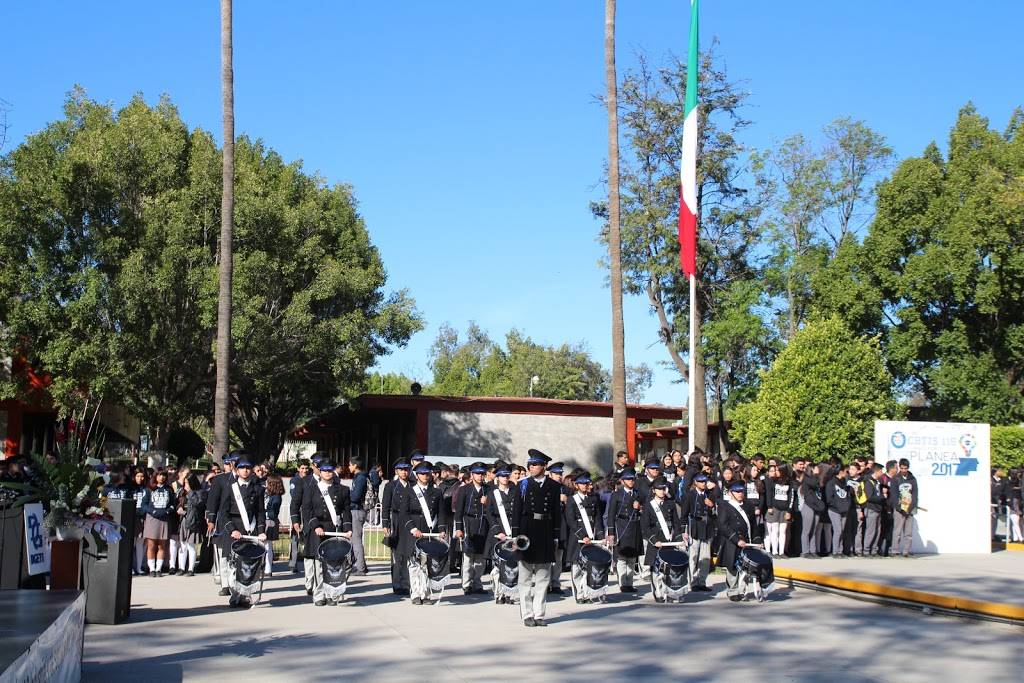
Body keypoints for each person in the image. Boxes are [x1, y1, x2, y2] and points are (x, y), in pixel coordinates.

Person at [515, 450, 561, 627]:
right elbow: (517, 511)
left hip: (546, 530)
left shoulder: (554, 486)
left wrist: (556, 535)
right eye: (530, 465)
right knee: (525, 576)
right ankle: (527, 614)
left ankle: (539, 614)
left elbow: (557, 512)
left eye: (535, 465)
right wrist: (515, 535)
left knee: (543, 576)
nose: (531, 467)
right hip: (527, 529)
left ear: (544, 466)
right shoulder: (523, 485)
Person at [301, 461, 353, 606]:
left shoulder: (342, 490)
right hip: (318, 530)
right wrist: (315, 526)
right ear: (320, 471)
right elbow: (307, 510)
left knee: (333, 565)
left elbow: (346, 511)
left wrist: (348, 529)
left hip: (334, 529)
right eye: (324, 470)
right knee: (319, 564)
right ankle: (319, 595)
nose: (328, 473)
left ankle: (332, 594)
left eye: (330, 470)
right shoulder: (312, 489)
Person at [220, 459, 267, 607]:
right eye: (242, 468)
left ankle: (246, 595)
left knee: (249, 565)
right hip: (235, 530)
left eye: (248, 467)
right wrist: (232, 529)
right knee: (234, 566)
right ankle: (235, 595)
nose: (245, 470)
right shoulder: (230, 488)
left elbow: (260, 513)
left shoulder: (258, 489)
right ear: (237, 469)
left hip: (250, 530)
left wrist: (261, 531)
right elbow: (224, 512)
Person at [401, 461, 445, 605]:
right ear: (417, 475)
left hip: (429, 531)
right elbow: (404, 513)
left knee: (427, 565)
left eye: (427, 473)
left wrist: (442, 530)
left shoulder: (437, 492)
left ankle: (425, 594)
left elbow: (441, 513)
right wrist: (413, 529)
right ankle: (415, 594)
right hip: (414, 531)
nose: (425, 476)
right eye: (422, 473)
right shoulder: (409, 491)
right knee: (414, 565)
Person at [718, 482, 762, 602]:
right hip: (732, 541)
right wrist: (736, 540)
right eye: (737, 492)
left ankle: (742, 590)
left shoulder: (748, 505)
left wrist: (757, 540)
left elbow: (753, 525)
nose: (740, 494)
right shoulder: (725, 506)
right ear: (730, 493)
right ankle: (733, 591)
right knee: (732, 567)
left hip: (747, 540)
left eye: (741, 491)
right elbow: (722, 525)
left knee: (745, 567)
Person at [565, 474, 605, 603]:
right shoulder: (572, 500)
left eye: (587, 483)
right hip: (578, 538)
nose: (586, 486)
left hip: (591, 537)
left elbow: (598, 519)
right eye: (582, 484)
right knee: (577, 567)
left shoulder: (593, 499)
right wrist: (583, 536)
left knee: (589, 567)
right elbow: (571, 521)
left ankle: (588, 594)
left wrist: (600, 536)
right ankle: (579, 594)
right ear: (576, 485)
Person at [641, 477, 682, 602]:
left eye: (663, 489)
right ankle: (658, 593)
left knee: (670, 570)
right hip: (657, 541)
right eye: (659, 489)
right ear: (654, 490)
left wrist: (679, 538)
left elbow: (676, 523)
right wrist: (654, 540)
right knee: (657, 571)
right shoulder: (648, 505)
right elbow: (645, 527)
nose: (662, 491)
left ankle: (670, 593)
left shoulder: (670, 504)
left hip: (669, 540)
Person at [485, 464, 521, 603]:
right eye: (502, 476)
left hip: (512, 532)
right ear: (497, 477)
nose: (505, 478)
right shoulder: (492, 492)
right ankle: (499, 593)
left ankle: (509, 593)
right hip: (498, 532)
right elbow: (489, 514)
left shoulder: (515, 491)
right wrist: (498, 531)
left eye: (507, 476)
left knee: (512, 565)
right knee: (498, 565)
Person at [454, 462, 490, 595]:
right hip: (468, 523)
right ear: (472, 474)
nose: (480, 476)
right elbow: (458, 511)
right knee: (468, 557)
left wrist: (487, 503)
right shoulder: (464, 489)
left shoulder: (488, 489)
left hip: (483, 523)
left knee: (480, 558)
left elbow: (492, 510)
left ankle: (477, 583)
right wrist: (458, 528)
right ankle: (466, 584)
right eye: (477, 473)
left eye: (482, 474)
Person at [206, 453, 240, 594]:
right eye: (235, 462)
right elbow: (213, 501)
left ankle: (238, 583)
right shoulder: (220, 479)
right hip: (223, 521)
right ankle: (225, 584)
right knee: (223, 554)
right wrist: (211, 520)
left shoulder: (249, 480)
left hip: (241, 522)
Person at [605, 469, 642, 593]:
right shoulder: (617, 494)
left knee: (632, 558)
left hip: (635, 526)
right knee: (621, 557)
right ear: (622, 481)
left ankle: (629, 583)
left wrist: (640, 507)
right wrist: (611, 532)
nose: (631, 481)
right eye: (628, 479)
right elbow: (611, 514)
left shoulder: (637, 493)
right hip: (621, 525)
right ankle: (622, 583)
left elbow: (646, 510)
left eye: (632, 479)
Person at [383, 461, 412, 595]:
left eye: (406, 469)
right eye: (401, 469)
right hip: (395, 521)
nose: (404, 472)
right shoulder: (391, 486)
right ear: (396, 471)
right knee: (396, 555)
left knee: (408, 554)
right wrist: (385, 524)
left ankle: (406, 584)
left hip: (409, 522)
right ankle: (396, 583)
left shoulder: (413, 485)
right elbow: (385, 506)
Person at [142, 469, 176, 577]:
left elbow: (172, 504)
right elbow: (144, 504)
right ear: (155, 476)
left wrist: (167, 511)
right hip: (152, 519)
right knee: (151, 545)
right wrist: (153, 511)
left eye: (164, 476)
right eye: (160, 475)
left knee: (162, 546)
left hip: (164, 519)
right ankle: (151, 569)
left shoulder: (168, 489)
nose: (162, 477)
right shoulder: (149, 489)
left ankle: (158, 569)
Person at [176, 473, 206, 576]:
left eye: (187, 483)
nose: (186, 486)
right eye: (184, 483)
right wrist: (179, 508)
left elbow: (198, 504)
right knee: (182, 545)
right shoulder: (183, 492)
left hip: (193, 521)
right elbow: (179, 503)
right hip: (184, 520)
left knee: (191, 545)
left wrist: (190, 492)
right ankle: (181, 567)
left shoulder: (199, 492)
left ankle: (190, 569)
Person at [764, 464, 795, 559]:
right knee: (774, 530)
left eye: (777, 470)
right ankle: (774, 551)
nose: (775, 472)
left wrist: (789, 511)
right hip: (775, 508)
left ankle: (781, 552)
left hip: (785, 510)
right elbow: (769, 494)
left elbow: (791, 497)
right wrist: (769, 506)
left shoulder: (789, 482)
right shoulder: (772, 481)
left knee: (783, 531)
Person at [890, 458, 918, 557]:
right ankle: (895, 551)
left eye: (905, 468)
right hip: (899, 509)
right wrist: (900, 508)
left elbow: (915, 495)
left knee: (908, 533)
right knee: (897, 531)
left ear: (908, 468)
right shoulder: (895, 479)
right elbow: (894, 495)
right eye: (901, 468)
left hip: (910, 509)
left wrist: (909, 508)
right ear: (899, 468)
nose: (903, 470)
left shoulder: (912, 479)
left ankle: (906, 551)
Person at [348, 457, 370, 576]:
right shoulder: (361, 477)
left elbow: (355, 497)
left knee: (356, 539)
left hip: (357, 510)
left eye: (350, 465)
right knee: (356, 538)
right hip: (358, 510)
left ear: (355, 465)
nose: (349, 467)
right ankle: (361, 565)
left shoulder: (360, 478)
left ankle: (360, 568)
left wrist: (348, 496)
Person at [287, 460, 311, 574]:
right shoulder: (295, 480)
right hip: (298, 510)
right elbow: (294, 496)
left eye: (306, 468)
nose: (304, 470)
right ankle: (293, 563)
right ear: (298, 469)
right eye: (302, 468)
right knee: (295, 537)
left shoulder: (310, 479)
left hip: (308, 511)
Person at [547, 461, 567, 594]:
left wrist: (566, 500)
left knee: (558, 557)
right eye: (557, 474)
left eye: (561, 474)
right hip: (548, 526)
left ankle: (555, 583)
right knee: (548, 557)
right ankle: (546, 583)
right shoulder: (546, 487)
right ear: (550, 474)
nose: (559, 476)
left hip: (561, 527)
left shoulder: (564, 489)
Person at [799, 463, 826, 558]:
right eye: (816, 468)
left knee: (814, 530)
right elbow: (814, 484)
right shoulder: (808, 479)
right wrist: (815, 475)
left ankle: (813, 550)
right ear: (811, 469)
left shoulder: (816, 479)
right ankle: (805, 551)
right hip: (809, 506)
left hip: (816, 506)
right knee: (807, 530)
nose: (818, 469)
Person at [859, 464, 886, 557]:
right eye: (881, 471)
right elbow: (869, 497)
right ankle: (866, 550)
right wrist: (882, 498)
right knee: (870, 530)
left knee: (877, 531)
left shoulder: (877, 482)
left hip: (878, 508)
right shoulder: (868, 482)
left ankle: (874, 550)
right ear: (876, 471)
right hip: (871, 508)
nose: (882, 473)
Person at [825, 464, 851, 558]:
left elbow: (847, 495)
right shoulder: (831, 483)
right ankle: (835, 551)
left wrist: (847, 505)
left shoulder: (845, 482)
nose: (847, 473)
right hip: (834, 510)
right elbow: (829, 499)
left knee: (842, 531)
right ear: (841, 472)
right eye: (845, 471)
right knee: (838, 530)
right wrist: (838, 506)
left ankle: (840, 551)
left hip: (844, 510)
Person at [128, 469, 149, 575]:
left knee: (140, 543)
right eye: (138, 476)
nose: (140, 478)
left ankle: (139, 567)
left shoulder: (146, 489)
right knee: (132, 544)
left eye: (142, 476)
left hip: (142, 518)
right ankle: (130, 567)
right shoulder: (129, 489)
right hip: (132, 518)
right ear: (133, 477)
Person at [264, 474, 284, 576]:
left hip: (270, 521)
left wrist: (264, 511)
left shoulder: (276, 498)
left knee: (267, 545)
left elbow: (273, 512)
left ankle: (268, 568)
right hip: (269, 521)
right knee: (267, 545)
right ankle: (267, 567)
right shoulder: (272, 496)